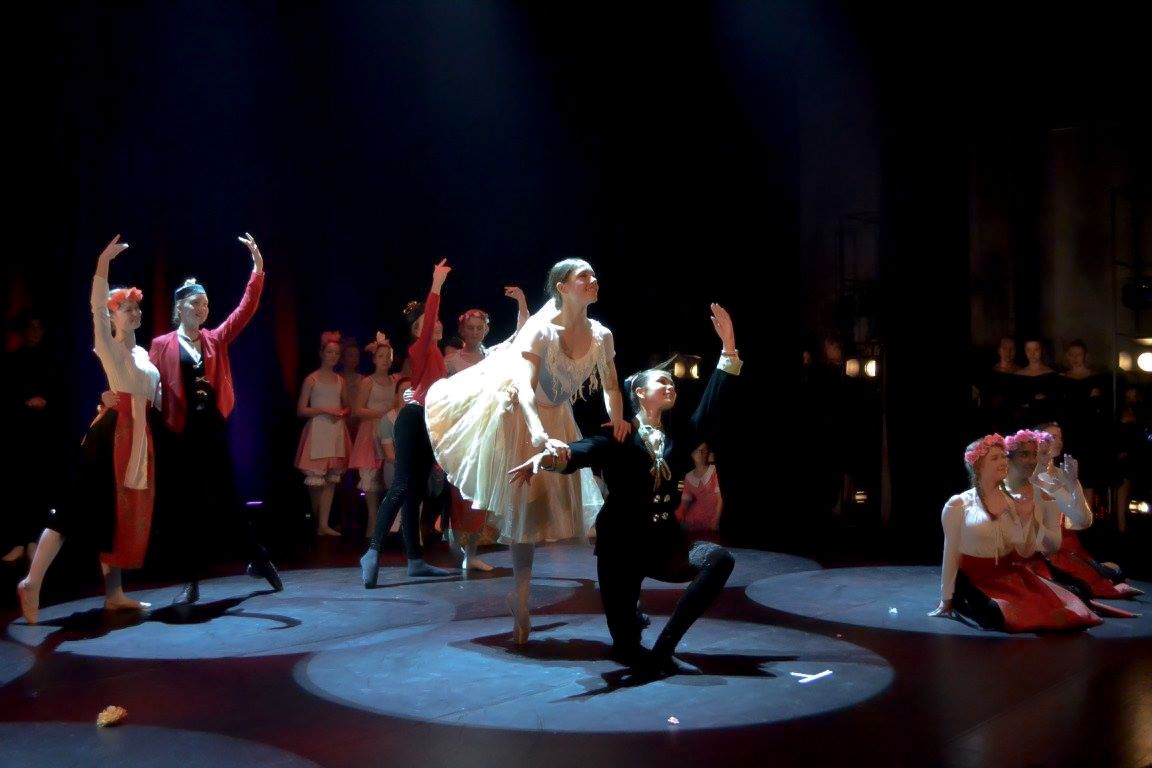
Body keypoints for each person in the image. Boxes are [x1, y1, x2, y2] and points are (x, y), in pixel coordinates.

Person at [509, 303, 739, 675]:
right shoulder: (620, 434)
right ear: (640, 394)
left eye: (672, 384)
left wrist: (728, 349)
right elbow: (582, 451)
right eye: (661, 382)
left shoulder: (679, 438)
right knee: (625, 648)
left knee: (719, 559)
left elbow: (711, 405)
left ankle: (665, 648)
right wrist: (547, 458)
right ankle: (633, 631)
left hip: (664, 546)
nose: (670, 386)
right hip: (621, 550)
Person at [425, 258, 629, 641]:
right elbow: (523, 386)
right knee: (525, 505)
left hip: (558, 416)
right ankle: (520, 595)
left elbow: (612, 385)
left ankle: (521, 594)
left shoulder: (601, 334)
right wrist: (537, 434)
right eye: (583, 276)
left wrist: (617, 418)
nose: (593, 279)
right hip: (520, 414)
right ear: (562, 287)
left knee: (538, 513)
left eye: (593, 274)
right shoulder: (540, 329)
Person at [17, 235, 160, 624]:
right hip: (110, 437)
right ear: (113, 317)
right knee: (72, 511)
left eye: (135, 307)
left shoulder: (143, 355)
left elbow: (153, 398)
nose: (133, 312)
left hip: (137, 438)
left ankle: (114, 594)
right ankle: (31, 581)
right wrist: (103, 264)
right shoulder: (109, 347)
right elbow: (96, 306)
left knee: (116, 516)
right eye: (125, 308)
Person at [147, 233, 281, 606]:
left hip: (212, 428)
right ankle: (190, 580)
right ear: (180, 307)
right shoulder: (161, 345)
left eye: (206, 303)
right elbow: (148, 384)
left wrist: (257, 269)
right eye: (196, 303)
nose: (203, 309)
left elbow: (244, 310)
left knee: (229, 497)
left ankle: (257, 558)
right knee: (187, 506)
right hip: (180, 432)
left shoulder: (214, 339)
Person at [929, 431, 1100, 632]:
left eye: (1003, 457)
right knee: (997, 615)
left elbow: (1024, 551)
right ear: (978, 466)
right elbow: (950, 553)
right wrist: (946, 599)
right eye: (995, 458)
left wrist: (1028, 518)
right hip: (974, 578)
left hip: (1006, 575)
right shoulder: (958, 504)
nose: (1003, 462)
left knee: (1057, 609)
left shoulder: (1011, 502)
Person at [359, 260, 456, 581]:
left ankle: (415, 559)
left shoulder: (437, 354)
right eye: (428, 322)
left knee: (416, 491)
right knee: (402, 485)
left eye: (436, 320)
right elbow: (428, 325)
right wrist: (437, 284)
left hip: (429, 422)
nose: (435, 324)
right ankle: (372, 551)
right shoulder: (420, 346)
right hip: (413, 419)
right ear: (418, 331)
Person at [295, 331, 352, 536]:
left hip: (335, 431)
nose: (333, 356)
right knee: (316, 480)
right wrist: (324, 410)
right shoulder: (311, 379)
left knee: (330, 479)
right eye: (329, 352)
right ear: (321, 353)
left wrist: (342, 412)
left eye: (336, 353)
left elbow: (347, 406)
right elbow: (301, 409)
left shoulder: (340, 380)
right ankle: (317, 521)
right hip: (318, 430)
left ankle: (324, 524)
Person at [348, 332, 396, 537]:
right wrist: (382, 414)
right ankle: (372, 522)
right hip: (371, 431)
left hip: (389, 431)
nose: (385, 360)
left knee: (388, 475)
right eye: (381, 356)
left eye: (388, 356)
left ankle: (387, 524)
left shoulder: (395, 380)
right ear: (374, 359)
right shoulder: (368, 381)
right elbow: (357, 409)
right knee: (371, 478)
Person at [675, 442, 723, 533]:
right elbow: (684, 502)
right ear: (692, 454)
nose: (700, 453)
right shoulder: (688, 476)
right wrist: (677, 514)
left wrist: (716, 520)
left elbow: (720, 498)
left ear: (707, 453)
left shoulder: (714, 470)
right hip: (695, 517)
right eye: (697, 451)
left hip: (713, 516)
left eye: (703, 450)